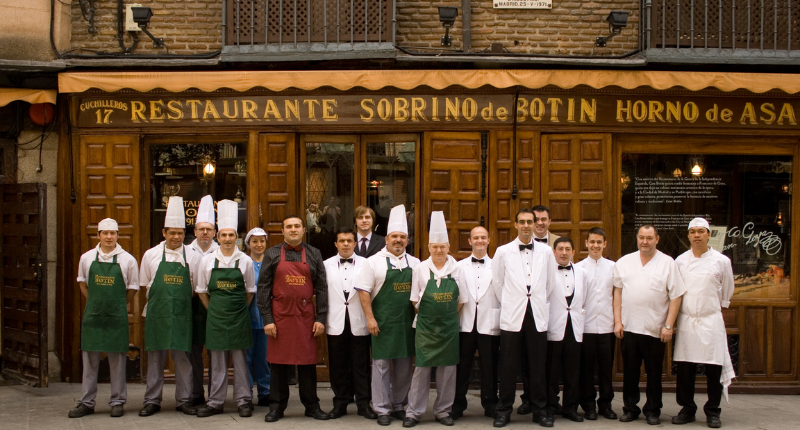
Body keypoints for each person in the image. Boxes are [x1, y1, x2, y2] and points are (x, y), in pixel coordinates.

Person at [613, 225, 686, 425]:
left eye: (649, 238)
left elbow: (676, 295)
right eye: (642, 237)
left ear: (657, 239)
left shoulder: (667, 263)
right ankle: (630, 408)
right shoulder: (624, 262)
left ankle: (653, 410)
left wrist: (669, 325)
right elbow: (617, 292)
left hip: (655, 328)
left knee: (654, 373)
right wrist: (618, 321)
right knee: (630, 372)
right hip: (629, 327)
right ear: (637, 238)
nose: (645, 241)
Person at [258, 215, 329, 422]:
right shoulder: (271, 254)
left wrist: (321, 317)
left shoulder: (314, 253)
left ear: (303, 230)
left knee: (307, 362)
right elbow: (262, 289)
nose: (293, 229)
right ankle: (276, 407)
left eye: (297, 226)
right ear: (283, 231)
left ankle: (311, 406)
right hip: (279, 316)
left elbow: (322, 288)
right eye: (289, 226)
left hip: (306, 315)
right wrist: (267, 319)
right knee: (278, 364)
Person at [355, 204, 420, 426]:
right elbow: (363, 291)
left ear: (407, 240)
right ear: (386, 239)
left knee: (404, 366)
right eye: (394, 236)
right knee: (381, 366)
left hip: (406, 323)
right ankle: (382, 408)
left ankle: (399, 404)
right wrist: (370, 318)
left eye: (402, 237)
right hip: (381, 322)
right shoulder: (373, 262)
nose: (398, 240)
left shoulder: (416, 263)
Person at [492, 208, 558, 428]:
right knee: (508, 366)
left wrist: (534, 301)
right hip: (513, 313)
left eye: (531, 221)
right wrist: (513, 301)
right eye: (522, 222)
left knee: (538, 365)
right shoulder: (502, 251)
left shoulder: (547, 252)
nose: (527, 225)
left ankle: (540, 411)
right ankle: (503, 410)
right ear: (515, 224)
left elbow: (549, 284)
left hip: (537, 313)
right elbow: (498, 283)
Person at [68, 218, 139, 418]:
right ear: (98, 235)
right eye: (105, 233)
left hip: (117, 316)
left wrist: (118, 303)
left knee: (117, 361)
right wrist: (94, 301)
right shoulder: (87, 258)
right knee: (90, 360)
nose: (109, 237)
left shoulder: (127, 260)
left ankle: (117, 401)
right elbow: (82, 283)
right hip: (93, 316)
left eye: (113, 233)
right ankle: (87, 402)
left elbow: (133, 288)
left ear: (117, 235)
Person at [138, 196, 202, 417]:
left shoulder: (193, 256)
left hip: (183, 315)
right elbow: (145, 284)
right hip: (157, 315)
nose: (176, 236)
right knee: (155, 359)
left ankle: (184, 400)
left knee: (183, 360)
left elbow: (195, 287)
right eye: (172, 232)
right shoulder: (151, 255)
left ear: (185, 235)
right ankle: (152, 400)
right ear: (164, 233)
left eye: (180, 233)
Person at [403, 212, 468, 428]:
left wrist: (446, 316)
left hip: (449, 328)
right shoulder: (420, 268)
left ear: (448, 247)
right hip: (425, 328)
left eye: (442, 246)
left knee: (447, 371)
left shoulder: (458, 269)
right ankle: (414, 412)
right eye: (434, 246)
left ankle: (443, 411)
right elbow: (414, 299)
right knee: (421, 370)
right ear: (429, 248)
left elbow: (462, 300)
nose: (438, 250)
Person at [195, 200, 256, 417]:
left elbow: (250, 290)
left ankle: (243, 400)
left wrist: (240, 309)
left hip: (239, 317)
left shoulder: (245, 261)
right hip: (216, 317)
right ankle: (215, 401)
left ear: (236, 237)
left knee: (240, 360)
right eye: (224, 235)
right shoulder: (208, 261)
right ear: (217, 237)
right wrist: (212, 310)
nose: (228, 239)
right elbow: (201, 290)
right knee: (217, 360)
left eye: (231, 235)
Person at [672, 218, 735, 429]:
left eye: (701, 231)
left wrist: (716, 306)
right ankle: (687, 408)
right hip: (687, 320)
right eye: (692, 232)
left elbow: (727, 290)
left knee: (713, 368)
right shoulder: (680, 261)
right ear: (688, 236)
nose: (696, 235)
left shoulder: (722, 261)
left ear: (709, 234)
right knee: (685, 369)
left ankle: (713, 411)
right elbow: (675, 291)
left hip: (711, 320)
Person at [324, 227, 377, 419]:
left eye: (349, 240)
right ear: (336, 244)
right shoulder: (325, 265)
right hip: (335, 320)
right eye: (342, 241)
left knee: (361, 365)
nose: (345, 244)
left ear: (355, 244)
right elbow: (322, 295)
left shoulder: (367, 264)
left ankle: (364, 404)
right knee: (337, 365)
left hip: (359, 320)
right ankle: (340, 404)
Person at [452, 226, 500, 421]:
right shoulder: (459, 266)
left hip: (489, 322)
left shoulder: (498, 265)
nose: (480, 241)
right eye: (476, 238)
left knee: (490, 367)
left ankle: (490, 404)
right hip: (465, 322)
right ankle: (457, 404)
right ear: (470, 241)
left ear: (489, 240)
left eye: (483, 237)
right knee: (462, 367)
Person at [519, 205, 560, 415]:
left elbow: (552, 282)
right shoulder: (515, 247)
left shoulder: (558, 244)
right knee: (527, 358)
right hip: (524, 311)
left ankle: (549, 400)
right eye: (537, 219)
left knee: (548, 360)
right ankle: (528, 399)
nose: (540, 222)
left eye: (544, 219)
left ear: (549, 221)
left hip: (551, 309)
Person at [574, 227, 618, 420]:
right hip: (587, 326)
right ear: (586, 243)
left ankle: (606, 404)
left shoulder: (613, 267)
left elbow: (617, 296)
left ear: (605, 244)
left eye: (599, 242)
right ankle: (589, 405)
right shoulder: (579, 268)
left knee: (606, 369)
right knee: (587, 369)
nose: (595, 245)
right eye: (592, 242)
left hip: (608, 326)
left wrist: (618, 322)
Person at [545, 237, 586, 423]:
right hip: (553, 326)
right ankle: (551, 406)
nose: (563, 252)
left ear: (573, 252)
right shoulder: (546, 272)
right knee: (551, 372)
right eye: (560, 249)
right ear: (554, 252)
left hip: (574, 327)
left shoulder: (582, 272)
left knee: (572, 371)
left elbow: (585, 298)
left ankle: (571, 407)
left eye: (567, 249)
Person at [188, 195, 218, 406]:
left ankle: (216, 396)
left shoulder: (224, 251)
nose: (205, 233)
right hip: (191, 307)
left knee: (216, 353)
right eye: (201, 229)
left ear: (215, 232)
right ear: (195, 231)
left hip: (217, 308)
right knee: (193, 353)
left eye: (209, 229)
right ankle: (195, 394)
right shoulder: (184, 251)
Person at [245, 228, 271, 407]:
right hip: (246, 317)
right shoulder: (243, 263)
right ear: (248, 244)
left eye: (262, 241)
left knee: (264, 358)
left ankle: (266, 392)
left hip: (266, 319)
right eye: (255, 241)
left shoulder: (271, 264)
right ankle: (246, 394)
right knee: (245, 358)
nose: (259, 245)